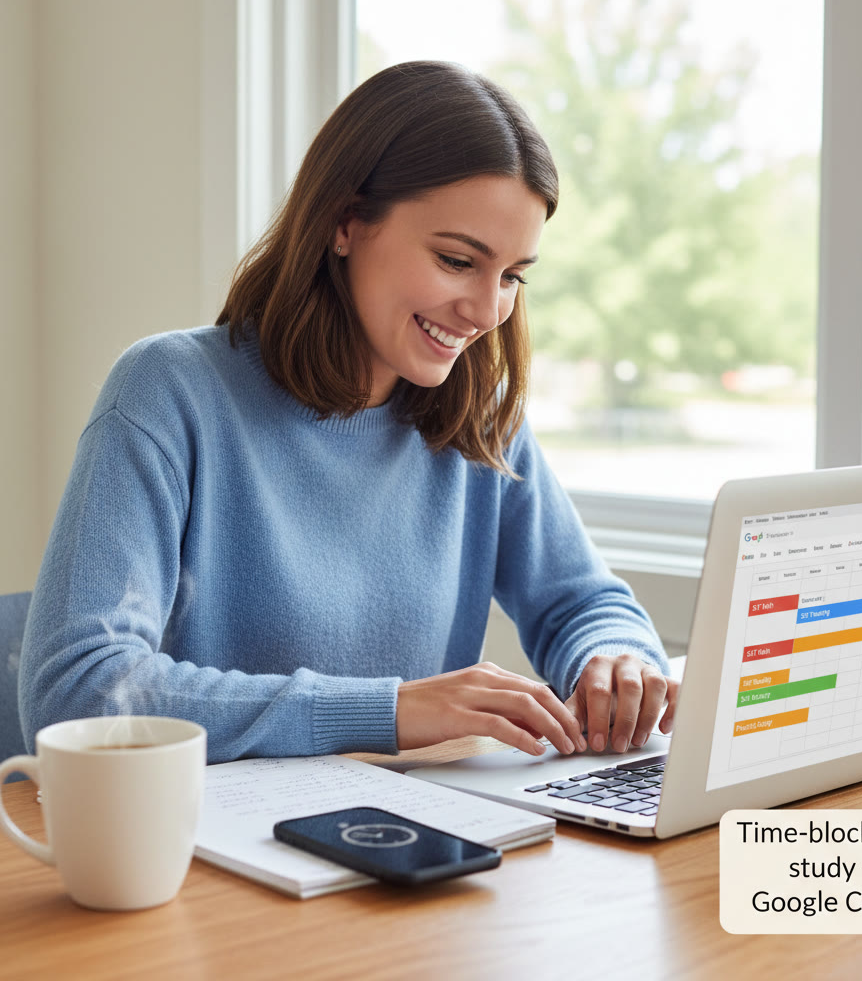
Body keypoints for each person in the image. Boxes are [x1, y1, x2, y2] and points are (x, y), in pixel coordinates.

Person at [20, 61, 677, 765]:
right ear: (345, 222)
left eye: (513, 275)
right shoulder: (168, 391)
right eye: (458, 261)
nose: (488, 311)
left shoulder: (477, 419)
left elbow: (582, 603)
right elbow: (81, 688)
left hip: (415, 836)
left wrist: (617, 659)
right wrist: (387, 711)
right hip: (218, 851)